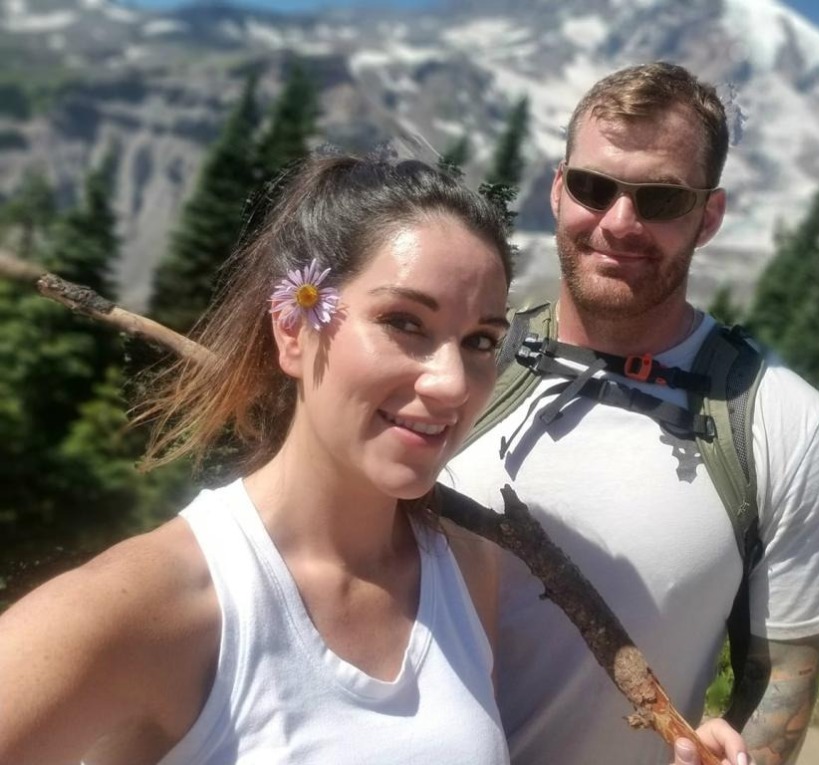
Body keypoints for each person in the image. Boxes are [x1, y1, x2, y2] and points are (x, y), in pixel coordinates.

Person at [0, 153, 518, 763]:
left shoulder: (467, 571)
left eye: (480, 340)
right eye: (405, 322)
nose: (452, 383)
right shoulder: (157, 602)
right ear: (293, 330)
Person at [442, 62, 819, 765]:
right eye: (593, 187)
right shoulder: (457, 364)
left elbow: (784, 674)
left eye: (661, 198)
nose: (619, 222)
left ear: (709, 216)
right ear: (558, 190)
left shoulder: (783, 420)